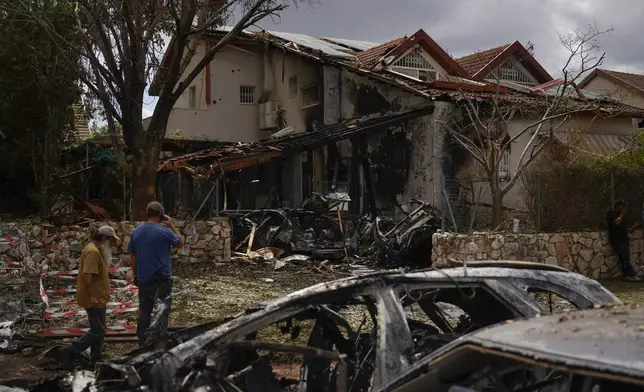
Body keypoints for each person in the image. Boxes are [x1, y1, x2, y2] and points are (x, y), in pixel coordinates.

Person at [45, 226, 119, 367]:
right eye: (110, 240)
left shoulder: (93, 250)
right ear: (104, 238)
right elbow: (88, 274)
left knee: (100, 330)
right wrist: (92, 296)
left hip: (98, 297)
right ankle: (69, 351)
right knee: (98, 330)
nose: (111, 244)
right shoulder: (93, 252)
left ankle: (95, 359)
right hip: (94, 298)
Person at [128, 201, 184, 348]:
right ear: (161, 215)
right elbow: (180, 243)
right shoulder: (164, 231)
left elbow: (132, 257)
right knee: (162, 310)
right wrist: (171, 225)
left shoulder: (137, 231)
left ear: (147, 212)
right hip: (162, 279)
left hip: (144, 278)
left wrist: (136, 274)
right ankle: (159, 342)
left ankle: (142, 342)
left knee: (144, 311)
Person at [607, 200, 638, 281]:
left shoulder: (623, 216)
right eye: (622, 206)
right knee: (624, 259)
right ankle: (629, 275)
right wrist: (622, 215)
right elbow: (617, 222)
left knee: (625, 258)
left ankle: (628, 275)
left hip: (624, 240)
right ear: (617, 206)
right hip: (617, 240)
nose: (623, 208)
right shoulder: (611, 214)